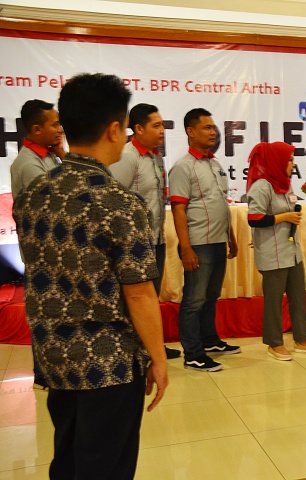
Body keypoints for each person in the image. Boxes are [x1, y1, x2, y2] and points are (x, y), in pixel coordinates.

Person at [12, 73, 168, 479]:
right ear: (115, 129)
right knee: (106, 465)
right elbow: (139, 294)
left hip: (54, 355)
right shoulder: (120, 202)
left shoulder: (32, 195)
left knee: (67, 458)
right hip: (109, 362)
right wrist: (158, 357)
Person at [169, 108, 240, 371]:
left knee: (211, 297)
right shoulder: (182, 167)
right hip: (198, 243)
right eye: (207, 128)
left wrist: (231, 238)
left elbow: (221, 204)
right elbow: (178, 210)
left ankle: (210, 341)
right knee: (194, 301)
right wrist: (186, 248)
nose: (213, 132)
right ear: (190, 131)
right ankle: (193, 354)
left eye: (213, 127)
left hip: (218, 241)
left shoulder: (215, 164)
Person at [109, 103, 181, 359]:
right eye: (156, 125)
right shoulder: (127, 157)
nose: (162, 130)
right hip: (134, 243)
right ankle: (132, 350)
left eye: (163, 125)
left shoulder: (156, 157)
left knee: (152, 295)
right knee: (135, 297)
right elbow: (114, 199)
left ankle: (151, 347)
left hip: (156, 239)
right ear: (138, 129)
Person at [246, 142, 306, 360]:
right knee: (274, 301)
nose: (293, 164)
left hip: (292, 250)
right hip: (272, 252)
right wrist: (284, 217)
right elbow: (254, 218)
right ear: (277, 161)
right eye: (290, 160)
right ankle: (274, 344)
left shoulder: (286, 184)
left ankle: (302, 339)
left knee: (298, 296)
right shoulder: (262, 186)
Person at [10, 99, 66, 390]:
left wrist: (62, 155)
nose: (60, 129)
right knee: (44, 311)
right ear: (35, 129)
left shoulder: (49, 156)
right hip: (42, 252)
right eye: (54, 125)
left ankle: (55, 368)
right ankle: (43, 374)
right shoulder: (28, 163)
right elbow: (58, 203)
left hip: (56, 250)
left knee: (56, 310)